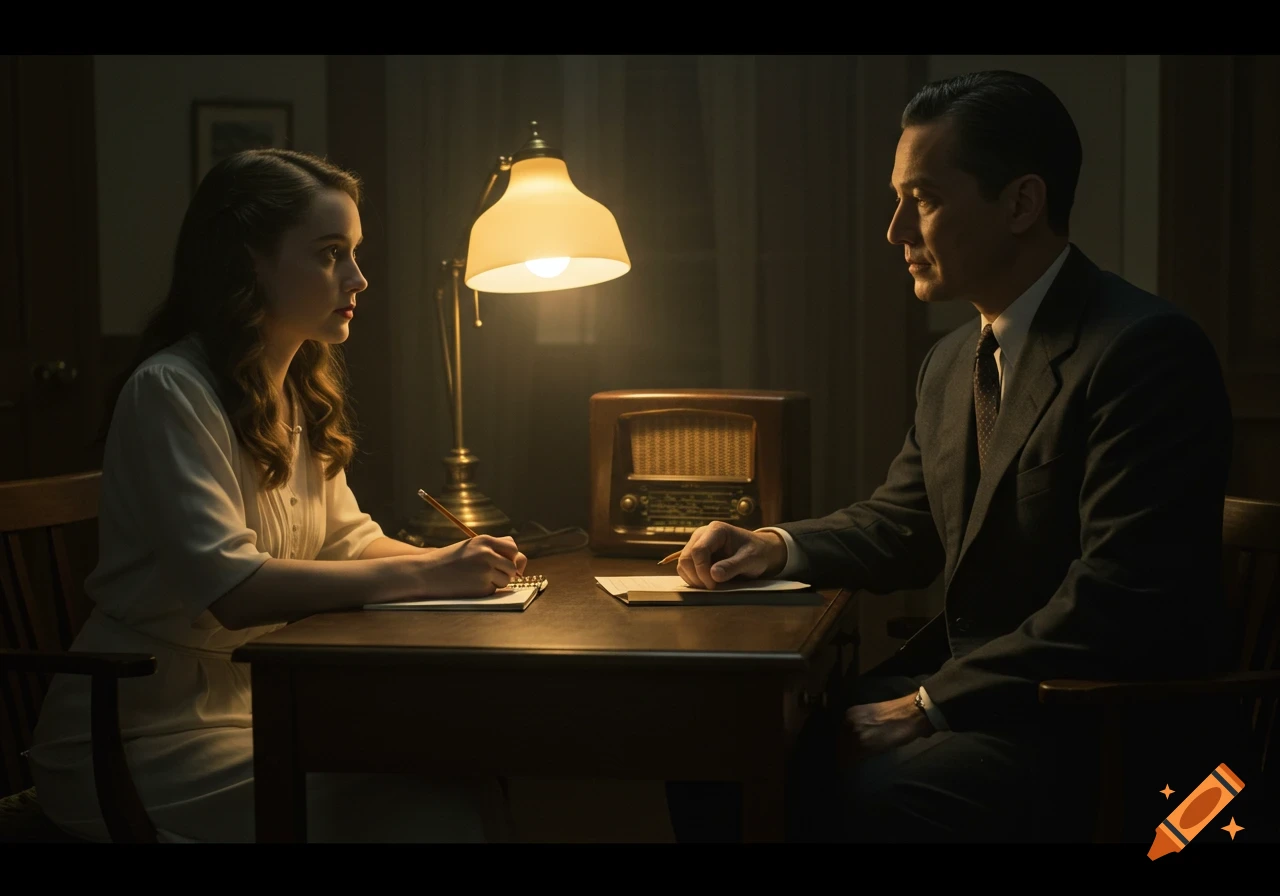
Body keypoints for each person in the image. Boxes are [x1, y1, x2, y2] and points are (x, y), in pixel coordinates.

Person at [665, 70, 1233, 842]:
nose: (895, 231)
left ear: (1022, 203)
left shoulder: (1144, 352)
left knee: (872, 799)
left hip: (1093, 722)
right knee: (714, 747)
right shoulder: (955, 358)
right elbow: (903, 523)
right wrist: (776, 545)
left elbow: (1122, 598)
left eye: (922, 200)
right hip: (986, 698)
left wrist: (929, 707)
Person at [28, 148, 526, 843]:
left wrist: (460, 561)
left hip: (263, 703)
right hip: (141, 729)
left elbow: (347, 541)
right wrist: (431, 572)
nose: (359, 277)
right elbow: (231, 588)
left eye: (354, 252)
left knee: (467, 771)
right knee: (436, 808)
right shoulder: (170, 390)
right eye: (330, 254)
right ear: (248, 262)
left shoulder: (292, 393)